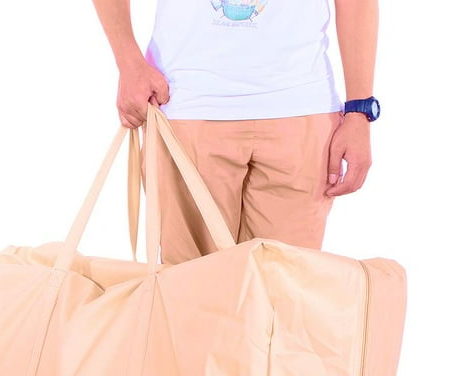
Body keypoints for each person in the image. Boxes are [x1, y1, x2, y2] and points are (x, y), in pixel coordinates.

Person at [92, 0, 379, 263]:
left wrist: (359, 110)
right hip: (187, 106)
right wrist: (128, 63)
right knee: (192, 289)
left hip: (300, 108)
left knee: (284, 291)